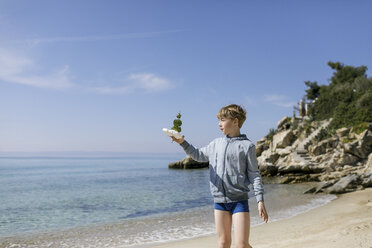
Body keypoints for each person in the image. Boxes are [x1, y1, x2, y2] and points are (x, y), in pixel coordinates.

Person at [170, 104, 268, 248]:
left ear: (235, 121)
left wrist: (260, 200)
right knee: (223, 243)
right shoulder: (216, 143)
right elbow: (198, 155)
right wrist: (182, 143)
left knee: (241, 244)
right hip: (219, 201)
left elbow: (254, 175)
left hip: (239, 201)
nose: (219, 124)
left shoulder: (247, 146)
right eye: (219, 120)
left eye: (223, 120)